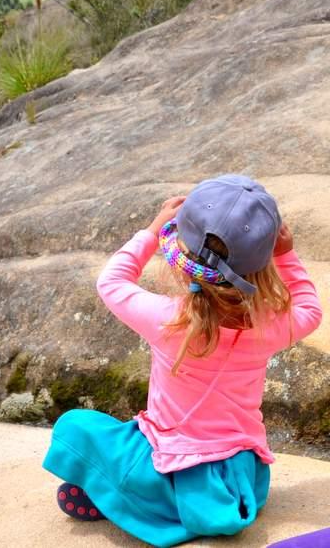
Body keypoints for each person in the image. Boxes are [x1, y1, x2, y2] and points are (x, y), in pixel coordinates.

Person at [42, 175, 323, 547]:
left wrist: (152, 229)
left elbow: (111, 282)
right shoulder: (267, 327)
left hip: (172, 470)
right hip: (243, 481)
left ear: (180, 257)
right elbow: (311, 309)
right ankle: (190, 507)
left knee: (77, 425)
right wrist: (287, 254)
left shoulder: (166, 320)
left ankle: (138, 501)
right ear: (261, 264)